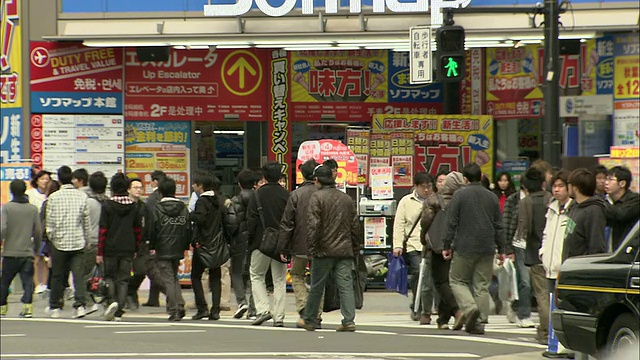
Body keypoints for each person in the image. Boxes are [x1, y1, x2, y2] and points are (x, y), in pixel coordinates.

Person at [442, 163, 507, 335]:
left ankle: (470, 309)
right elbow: (499, 226)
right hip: (487, 247)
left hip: (464, 246)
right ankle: (480, 321)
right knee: (482, 285)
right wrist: (502, 249)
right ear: (481, 176)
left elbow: (451, 223)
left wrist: (446, 245)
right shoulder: (492, 197)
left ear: (465, 179)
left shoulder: (459, 196)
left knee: (457, 280)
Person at [301, 165, 360, 332]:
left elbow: (313, 226)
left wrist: (312, 248)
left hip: (323, 249)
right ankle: (348, 320)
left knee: (317, 285)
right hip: (344, 249)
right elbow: (354, 226)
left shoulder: (317, 197)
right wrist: (355, 247)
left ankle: (310, 319)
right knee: (345, 285)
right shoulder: (346, 198)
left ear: (317, 180)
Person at [420, 171, 465, 330]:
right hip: (458, 245)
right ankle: (443, 319)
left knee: (440, 281)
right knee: (451, 281)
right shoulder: (462, 201)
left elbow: (425, 221)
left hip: (438, 245)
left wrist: (423, 238)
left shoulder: (433, 200)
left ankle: (456, 310)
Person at [246, 162, 290, 327]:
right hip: (281, 244)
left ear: (263, 176)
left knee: (257, 275)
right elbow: (291, 221)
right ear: (280, 176)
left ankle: (263, 310)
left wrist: (251, 242)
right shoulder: (287, 195)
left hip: (260, 242)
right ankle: (279, 317)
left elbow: (250, 221)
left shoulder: (257, 195)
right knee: (279, 280)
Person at [279, 158, 320, 328]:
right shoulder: (324, 193)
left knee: (297, 275)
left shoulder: (295, 194)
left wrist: (283, 246)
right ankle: (316, 314)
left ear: (302, 174)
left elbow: (287, 223)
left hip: (299, 245)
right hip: (321, 245)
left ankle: (304, 309)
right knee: (319, 279)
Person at [45, 166, 91, 318]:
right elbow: (86, 221)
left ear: (58, 179)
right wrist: (87, 239)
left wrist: (52, 237)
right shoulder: (81, 196)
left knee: (57, 275)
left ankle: (55, 307)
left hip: (59, 242)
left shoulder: (53, 197)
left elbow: (49, 222)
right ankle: (80, 306)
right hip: (78, 241)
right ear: (71, 178)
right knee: (78, 275)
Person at [190, 172, 236, 321]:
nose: (193, 186)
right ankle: (215, 310)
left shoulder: (202, 201)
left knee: (196, 275)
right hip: (218, 243)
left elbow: (200, 219)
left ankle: (202, 307)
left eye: (195, 184)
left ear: (201, 186)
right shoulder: (219, 200)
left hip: (203, 243)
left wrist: (190, 215)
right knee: (215, 276)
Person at [98, 173, 144, 321]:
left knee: (110, 276)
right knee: (123, 279)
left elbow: (103, 230)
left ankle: (112, 302)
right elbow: (138, 230)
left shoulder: (107, 205)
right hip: (128, 247)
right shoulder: (134, 207)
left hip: (110, 247)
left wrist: (99, 251)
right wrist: (136, 248)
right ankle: (119, 309)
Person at [515, 168, 552, 344]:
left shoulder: (526, 202)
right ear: (543, 183)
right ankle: (548, 330)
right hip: (553, 252)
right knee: (552, 294)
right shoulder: (550, 199)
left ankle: (546, 331)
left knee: (542, 295)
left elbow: (522, 229)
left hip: (536, 253)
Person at [392, 172, 435, 324]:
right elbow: (399, 224)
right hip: (413, 244)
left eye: (429, 186)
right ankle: (418, 306)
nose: (426, 190)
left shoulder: (435, 201)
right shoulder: (406, 201)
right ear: (415, 186)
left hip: (430, 244)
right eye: (423, 187)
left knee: (428, 277)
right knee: (418, 273)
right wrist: (397, 245)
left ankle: (421, 306)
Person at [148, 177, 191, 321]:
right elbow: (188, 228)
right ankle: (179, 304)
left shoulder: (158, 209)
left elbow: (153, 230)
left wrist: (152, 245)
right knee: (173, 277)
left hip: (162, 246)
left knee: (168, 279)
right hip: (178, 247)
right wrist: (185, 245)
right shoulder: (183, 208)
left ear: (160, 192)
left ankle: (174, 309)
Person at [1, 180, 43, 318]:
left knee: (5, 281)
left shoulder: (7, 208)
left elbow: (2, 228)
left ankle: (2, 307)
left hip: (10, 251)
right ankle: (27, 307)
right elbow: (37, 231)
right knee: (27, 281)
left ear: (11, 191)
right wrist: (36, 249)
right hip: (27, 252)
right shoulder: (32, 209)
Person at [540, 170, 573, 312]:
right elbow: (546, 234)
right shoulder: (552, 208)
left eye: (560, 186)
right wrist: (543, 253)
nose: (556, 189)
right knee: (551, 306)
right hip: (549, 267)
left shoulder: (573, 209)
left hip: (564, 268)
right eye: (554, 186)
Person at [229, 169, 259, 319]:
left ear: (239, 184)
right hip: (256, 241)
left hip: (239, 240)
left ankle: (242, 302)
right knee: (255, 274)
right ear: (255, 183)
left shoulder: (234, 201)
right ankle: (253, 309)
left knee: (236, 272)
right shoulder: (259, 199)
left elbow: (232, 223)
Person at [563, 168, 607, 260]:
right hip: (569, 266)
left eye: (568, 183)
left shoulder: (594, 210)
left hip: (582, 268)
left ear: (575, 187)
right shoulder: (574, 206)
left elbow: (596, 246)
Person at [82, 171, 109, 316]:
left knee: (85, 274)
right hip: (106, 244)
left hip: (90, 243)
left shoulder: (87, 202)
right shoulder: (108, 202)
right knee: (107, 275)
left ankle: (88, 302)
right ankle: (107, 302)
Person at [143, 170, 166, 307]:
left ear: (155, 182)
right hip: (168, 237)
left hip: (155, 237)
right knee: (159, 267)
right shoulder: (167, 195)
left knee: (152, 268)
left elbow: (149, 220)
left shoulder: (152, 198)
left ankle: (170, 293)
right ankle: (153, 298)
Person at [26, 170, 52, 295]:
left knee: (46, 260)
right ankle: (37, 285)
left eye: (47, 179)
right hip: (33, 232)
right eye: (42, 179)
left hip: (47, 232)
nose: (45, 181)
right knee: (35, 259)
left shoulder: (51, 194)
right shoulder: (30, 194)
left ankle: (45, 284)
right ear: (37, 180)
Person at [604, 166, 640, 252]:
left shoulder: (635, 200)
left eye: (610, 179)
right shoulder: (604, 200)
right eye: (606, 179)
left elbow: (621, 215)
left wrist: (602, 204)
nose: (606, 182)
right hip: (607, 250)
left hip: (627, 251)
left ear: (622, 183)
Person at [126, 178, 148, 310]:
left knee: (140, 271)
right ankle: (126, 296)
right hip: (125, 243)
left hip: (141, 244)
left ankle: (131, 290)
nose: (138, 190)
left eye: (140, 187)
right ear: (128, 189)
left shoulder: (143, 206)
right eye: (135, 187)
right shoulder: (124, 205)